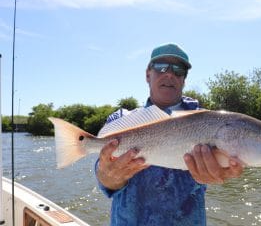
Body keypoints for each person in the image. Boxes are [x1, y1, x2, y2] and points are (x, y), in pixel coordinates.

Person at [95, 43, 243, 226]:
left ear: (183, 80)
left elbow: (225, 165)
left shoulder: (209, 122)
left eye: (178, 70)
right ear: (148, 74)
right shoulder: (121, 120)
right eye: (161, 67)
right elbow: (103, 176)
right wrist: (109, 175)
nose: (169, 74)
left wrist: (221, 173)